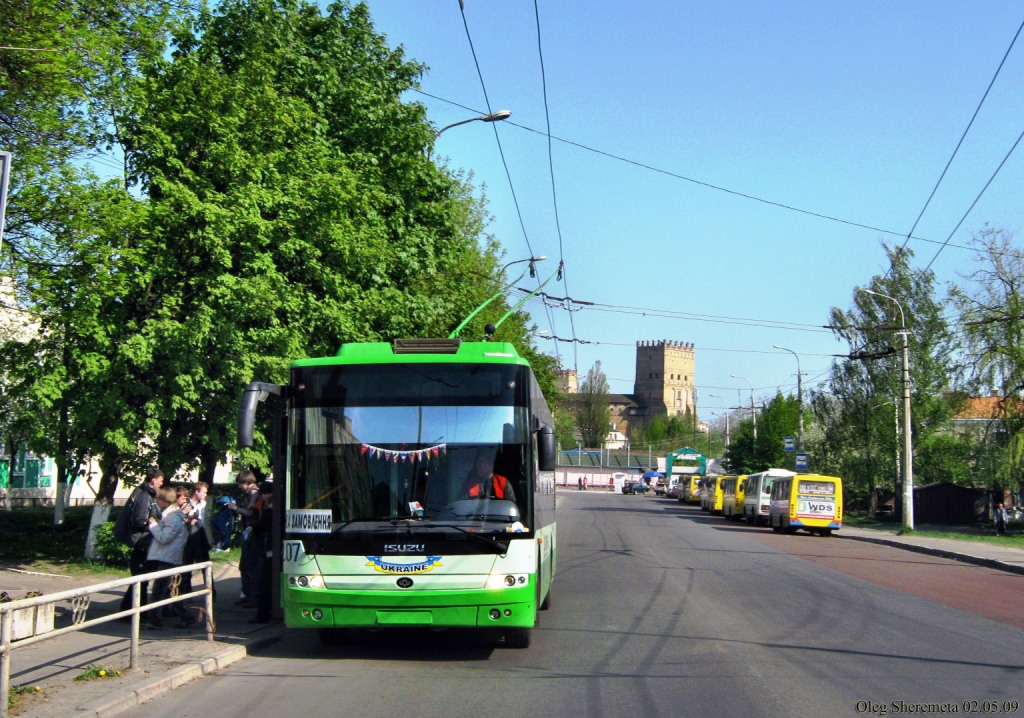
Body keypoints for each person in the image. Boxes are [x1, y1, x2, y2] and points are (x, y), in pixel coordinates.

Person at [143, 486, 196, 629]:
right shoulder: (175, 516)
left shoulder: (172, 518)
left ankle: (155, 621)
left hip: (168, 557)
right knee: (168, 592)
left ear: (162, 499)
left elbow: (164, 538)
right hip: (169, 557)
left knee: (159, 592)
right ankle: (186, 615)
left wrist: (153, 526)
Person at [119, 467, 164, 615]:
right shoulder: (145, 495)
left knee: (142, 580)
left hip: (144, 542)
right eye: (160, 481)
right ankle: (132, 612)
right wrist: (152, 523)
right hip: (142, 542)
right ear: (153, 480)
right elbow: (138, 520)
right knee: (141, 580)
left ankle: (136, 612)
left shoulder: (145, 493)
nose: (161, 484)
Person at [228, 470, 262, 607]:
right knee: (246, 565)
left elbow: (249, 512)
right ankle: (248, 594)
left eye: (241, 484)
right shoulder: (251, 493)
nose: (240, 487)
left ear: (247, 482)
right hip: (249, 532)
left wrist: (235, 508)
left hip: (251, 532)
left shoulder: (253, 494)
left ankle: (251, 595)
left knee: (249, 565)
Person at [179, 482, 212, 598]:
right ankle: (186, 592)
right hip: (188, 539)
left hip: (201, 537)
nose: (205, 495)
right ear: (197, 492)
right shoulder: (185, 504)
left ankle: (211, 592)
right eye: (204, 492)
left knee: (206, 565)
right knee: (187, 566)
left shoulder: (204, 504)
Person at [250, 481, 276, 624]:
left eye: (269, 493)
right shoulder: (260, 507)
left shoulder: (272, 509)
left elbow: (264, 525)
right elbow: (257, 526)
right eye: (264, 493)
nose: (267, 496)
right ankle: (263, 613)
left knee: (265, 583)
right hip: (262, 548)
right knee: (262, 582)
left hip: (270, 549)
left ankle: (264, 614)